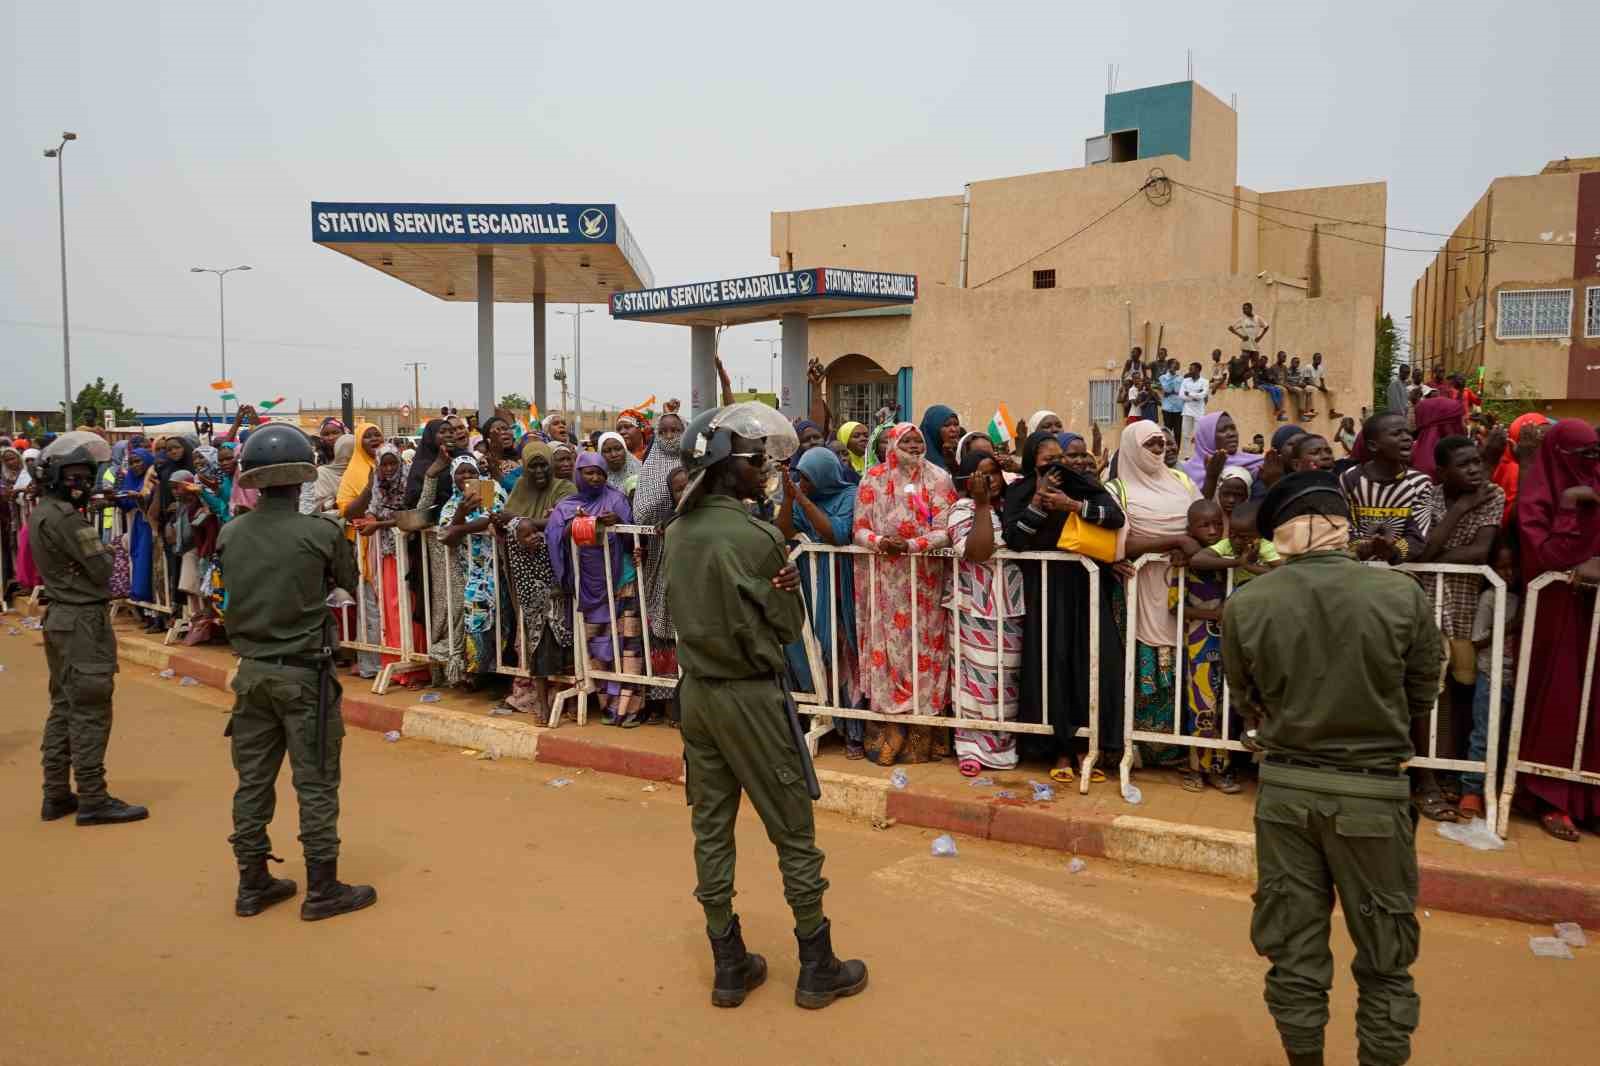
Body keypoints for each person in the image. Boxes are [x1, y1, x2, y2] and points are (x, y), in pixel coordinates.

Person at [1223, 470, 1435, 1066]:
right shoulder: (1401, 594)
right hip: (1373, 794)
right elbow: (1422, 693)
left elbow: (1248, 701)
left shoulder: (1249, 603)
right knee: (1386, 961)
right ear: (1343, 525)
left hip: (1286, 792)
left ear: (1280, 534)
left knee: (1294, 953)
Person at [664, 403, 867, 1011]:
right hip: (751, 696)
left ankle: (729, 963)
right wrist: (785, 591)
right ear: (728, 469)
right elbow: (784, 625)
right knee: (793, 833)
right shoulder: (757, 537)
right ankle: (816, 963)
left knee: (711, 830)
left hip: (697, 696)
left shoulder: (677, 532)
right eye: (756, 461)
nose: (766, 469)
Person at [216, 423, 376, 921]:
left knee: (253, 783)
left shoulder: (232, 531)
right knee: (316, 781)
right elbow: (347, 582)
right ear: (303, 473)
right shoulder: (320, 532)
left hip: (252, 673)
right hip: (305, 674)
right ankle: (323, 889)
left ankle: (252, 882)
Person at [31, 432, 148, 826]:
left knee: (63, 707)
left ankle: (56, 792)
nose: (82, 484)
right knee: (91, 710)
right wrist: (108, 551)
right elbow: (100, 569)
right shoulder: (65, 517)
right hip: (82, 620)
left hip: (61, 618)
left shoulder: (44, 510)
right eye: (76, 476)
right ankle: (94, 798)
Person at [1002, 431, 1125, 783]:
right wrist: (1039, 505)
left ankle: (1092, 745)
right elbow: (1015, 540)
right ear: (1031, 464)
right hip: (1046, 589)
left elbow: (1114, 518)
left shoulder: (1082, 485)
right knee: (1052, 665)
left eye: (1061, 460)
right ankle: (1058, 748)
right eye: (1046, 462)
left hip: (1085, 585)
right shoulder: (1020, 491)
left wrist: (1072, 505)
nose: (1056, 469)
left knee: (1093, 664)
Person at [1512, 419, 1600, 842]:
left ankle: (1591, 798)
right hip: (1556, 614)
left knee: (1594, 703)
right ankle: (1552, 797)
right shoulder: (1538, 495)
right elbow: (1543, 555)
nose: (1591, 464)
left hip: (1594, 616)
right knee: (1559, 701)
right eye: (1582, 457)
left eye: (1595, 455)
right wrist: (1571, 507)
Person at [852, 423, 957, 764]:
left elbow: (946, 529)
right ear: (892, 444)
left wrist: (912, 546)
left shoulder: (939, 478)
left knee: (925, 648)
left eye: (918, 441)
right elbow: (859, 529)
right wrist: (882, 543)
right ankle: (889, 730)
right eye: (906, 440)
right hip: (885, 584)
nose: (913, 446)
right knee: (890, 650)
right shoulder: (873, 478)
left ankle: (923, 732)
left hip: (925, 581)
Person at [1107, 421, 1202, 770]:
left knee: (1183, 665)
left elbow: (1204, 522)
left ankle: (1177, 747)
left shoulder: (1183, 482)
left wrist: (1190, 546)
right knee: (1137, 665)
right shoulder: (1117, 490)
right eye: (1150, 443)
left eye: (1162, 442)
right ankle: (1141, 748)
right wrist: (1174, 542)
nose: (1159, 448)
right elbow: (1120, 543)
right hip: (1137, 589)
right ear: (1132, 447)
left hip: (1183, 586)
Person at [777, 447, 863, 756]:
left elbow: (837, 534)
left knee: (843, 655)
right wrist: (789, 498)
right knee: (812, 651)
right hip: (809, 585)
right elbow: (784, 530)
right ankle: (819, 715)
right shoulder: (801, 497)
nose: (804, 482)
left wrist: (801, 499)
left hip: (840, 586)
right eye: (801, 477)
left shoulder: (850, 495)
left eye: (808, 478)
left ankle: (852, 729)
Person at [547, 452, 644, 725]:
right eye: (589, 472)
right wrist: (575, 525)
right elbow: (555, 539)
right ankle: (608, 706)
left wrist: (619, 525)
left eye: (599, 473)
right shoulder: (566, 506)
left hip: (621, 581)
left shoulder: (616, 500)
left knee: (628, 645)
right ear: (578, 474)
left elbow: (633, 540)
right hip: (588, 587)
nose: (595, 477)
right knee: (598, 647)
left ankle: (630, 709)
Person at [944, 453, 1025, 774]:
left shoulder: (1010, 505)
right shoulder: (961, 509)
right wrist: (980, 504)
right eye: (981, 475)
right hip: (974, 607)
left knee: (1006, 680)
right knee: (975, 681)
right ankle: (972, 749)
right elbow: (977, 551)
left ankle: (1005, 748)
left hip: (1011, 605)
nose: (990, 480)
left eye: (993, 473)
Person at [1420, 436, 1504, 705]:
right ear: (1442, 472)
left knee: (1462, 684)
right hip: (1424, 601)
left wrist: (1430, 556)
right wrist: (1462, 507)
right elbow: (1422, 548)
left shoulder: (1492, 494)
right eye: (1463, 464)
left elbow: (1479, 551)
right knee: (1426, 684)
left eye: (1477, 461)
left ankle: (1454, 748)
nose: (1474, 469)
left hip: (1464, 605)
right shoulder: (1427, 496)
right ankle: (1425, 748)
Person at [501, 440, 577, 718]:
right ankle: (541, 702)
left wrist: (521, 522)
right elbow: (502, 522)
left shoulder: (564, 488)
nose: (539, 471)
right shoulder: (520, 488)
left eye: (543, 464)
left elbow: (562, 521)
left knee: (562, 639)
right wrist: (521, 523)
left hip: (558, 577)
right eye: (532, 465)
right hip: (528, 581)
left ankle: (564, 701)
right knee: (536, 641)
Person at [1170, 499, 1239, 793]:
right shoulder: (1185, 565)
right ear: (1190, 528)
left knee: (1227, 706)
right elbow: (1176, 608)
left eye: (1216, 524)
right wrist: (1213, 614)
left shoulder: (1231, 556)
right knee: (1201, 706)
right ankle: (1197, 767)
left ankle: (1220, 768)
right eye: (1204, 525)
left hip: (1232, 646)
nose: (1212, 530)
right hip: (1200, 646)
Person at [1458, 538, 1519, 820]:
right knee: (1483, 735)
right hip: (1491, 675)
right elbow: (1478, 640)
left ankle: (1495, 789)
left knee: (1509, 736)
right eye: (1501, 567)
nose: (1507, 573)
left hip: (1515, 677)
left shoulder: (1524, 596)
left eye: (1512, 567)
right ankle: (1471, 790)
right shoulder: (1490, 597)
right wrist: (1510, 627)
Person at [632, 413, 686, 716]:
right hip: (658, 555)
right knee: (660, 630)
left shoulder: (694, 461)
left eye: (676, 429)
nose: (669, 435)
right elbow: (640, 514)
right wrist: (665, 513)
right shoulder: (649, 468)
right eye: (663, 430)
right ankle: (663, 700)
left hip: (688, 554)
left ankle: (686, 700)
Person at [438, 456, 507, 686]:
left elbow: (492, 518)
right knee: (476, 617)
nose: (467, 477)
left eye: (471, 472)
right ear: (453, 477)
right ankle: (478, 671)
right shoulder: (451, 505)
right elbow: (447, 538)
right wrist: (460, 512)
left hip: (499, 566)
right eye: (461, 473)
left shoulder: (491, 490)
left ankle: (502, 670)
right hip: (474, 573)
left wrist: (458, 527)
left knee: (504, 617)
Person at [1339, 413, 1434, 565]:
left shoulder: (1420, 483)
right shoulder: (1349, 479)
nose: (1407, 438)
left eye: (1408, 432)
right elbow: (1343, 526)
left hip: (1400, 570)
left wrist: (1393, 552)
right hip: (1356, 568)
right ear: (1373, 445)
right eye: (1397, 433)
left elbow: (1417, 535)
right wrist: (1361, 548)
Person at [336, 423, 384, 679]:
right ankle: (371, 663)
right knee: (370, 606)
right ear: (358, 442)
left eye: (377, 434)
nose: (375, 439)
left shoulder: (388, 462)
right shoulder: (354, 471)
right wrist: (369, 487)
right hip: (365, 546)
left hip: (387, 547)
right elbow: (347, 510)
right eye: (368, 436)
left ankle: (390, 659)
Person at [1184, 411, 1264, 500]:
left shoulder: (1256, 463)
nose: (1231, 434)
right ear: (1207, 437)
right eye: (1223, 430)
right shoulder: (1186, 472)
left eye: (1233, 428)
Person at [1410, 395, 1466, 481]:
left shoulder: (1408, 452)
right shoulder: (1459, 456)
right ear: (1447, 426)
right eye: (1458, 420)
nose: (1463, 425)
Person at [918, 404, 961, 472]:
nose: (953, 429)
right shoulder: (918, 460)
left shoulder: (963, 455)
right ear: (933, 429)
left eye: (956, 424)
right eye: (946, 425)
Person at [597, 431, 642, 496]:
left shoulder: (642, 472)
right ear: (600, 454)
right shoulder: (595, 477)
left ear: (625, 450)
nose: (614, 455)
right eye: (607, 451)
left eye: (618, 449)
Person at [1178, 361, 1209, 453]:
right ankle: (1186, 455)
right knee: (1185, 434)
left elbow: (1202, 395)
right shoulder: (1185, 381)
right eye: (1189, 369)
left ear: (1198, 370)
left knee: (1197, 435)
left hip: (1199, 412)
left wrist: (1189, 394)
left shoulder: (1205, 382)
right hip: (1187, 410)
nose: (1189, 371)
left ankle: (1196, 454)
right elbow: (1181, 395)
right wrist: (1195, 395)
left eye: (1191, 369)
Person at [1158, 359, 1185, 441]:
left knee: (1178, 432)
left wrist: (1173, 392)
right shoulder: (1163, 377)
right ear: (1170, 366)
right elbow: (1167, 389)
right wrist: (1171, 377)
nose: (1178, 364)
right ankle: (1167, 449)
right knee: (1167, 431)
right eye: (1176, 363)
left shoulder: (1181, 377)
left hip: (1179, 408)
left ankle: (1176, 450)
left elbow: (1179, 390)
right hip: (1167, 408)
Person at [1285, 356, 1317, 420]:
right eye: (1296, 362)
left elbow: (1300, 380)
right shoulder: (1287, 370)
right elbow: (1286, 381)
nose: (1297, 364)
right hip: (1290, 386)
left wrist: (1302, 384)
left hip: (1297, 385)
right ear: (1291, 363)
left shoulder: (1298, 371)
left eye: (1298, 363)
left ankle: (1308, 411)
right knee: (1301, 391)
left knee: (1309, 390)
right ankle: (1301, 414)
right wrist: (1296, 384)